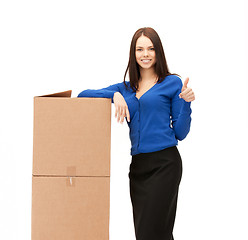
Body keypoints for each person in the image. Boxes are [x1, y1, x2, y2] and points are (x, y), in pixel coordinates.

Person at [77, 27, 195, 240]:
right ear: (133, 54)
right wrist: (114, 95)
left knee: (154, 233)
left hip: (165, 164)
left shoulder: (172, 83)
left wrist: (186, 104)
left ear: (158, 51)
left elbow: (181, 132)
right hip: (139, 167)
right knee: (146, 234)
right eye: (139, 49)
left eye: (150, 48)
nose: (145, 54)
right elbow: (83, 95)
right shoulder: (126, 88)